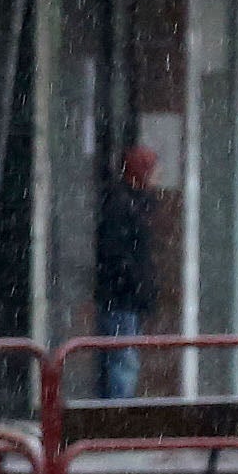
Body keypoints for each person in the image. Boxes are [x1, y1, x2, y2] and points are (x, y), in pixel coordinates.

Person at [91, 145, 162, 400]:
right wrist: (136, 284)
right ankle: (116, 414)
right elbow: (118, 253)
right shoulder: (123, 205)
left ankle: (110, 413)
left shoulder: (130, 202)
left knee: (117, 357)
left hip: (123, 296)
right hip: (121, 297)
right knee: (122, 359)